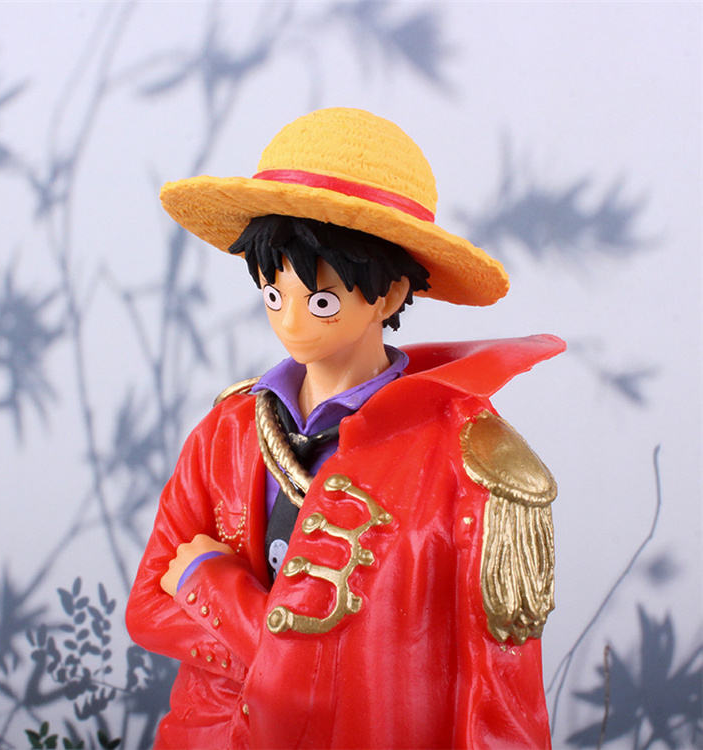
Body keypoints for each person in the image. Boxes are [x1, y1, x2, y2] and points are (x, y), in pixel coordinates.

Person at [126, 107, 565, 749]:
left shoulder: (465, 458)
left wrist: (211, 587)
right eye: (273, 294)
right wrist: (293, 661)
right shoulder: (228, 432)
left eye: (322, 301)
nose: (291, 322)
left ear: (389, 295)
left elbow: (495, 692)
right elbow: (147, 608)